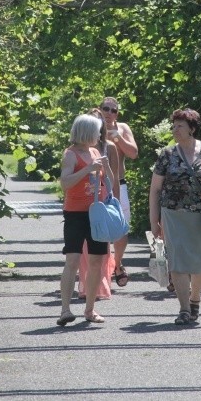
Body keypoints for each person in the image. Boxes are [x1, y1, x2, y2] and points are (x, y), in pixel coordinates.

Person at [148, 108, 201, 325]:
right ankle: (184, 309)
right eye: (174, 126)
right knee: (178, 263)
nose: (175, 130)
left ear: (192, 129)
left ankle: (195, 298)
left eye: (180, 126)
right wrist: (154, 220)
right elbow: (155, 189)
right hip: (173, 215)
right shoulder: (167, 154)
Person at [57, 114, 114, 325]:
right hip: (75, 213)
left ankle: (90, 310)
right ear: (86, 131)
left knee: (97, 261)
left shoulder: (95, 151)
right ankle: (65, 310)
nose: (99, 134)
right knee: (72, 259)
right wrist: (88, 169)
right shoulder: (71, 154)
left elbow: (106, 182)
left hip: (96, 212)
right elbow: (65, 183)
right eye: (97, 131)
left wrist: (105, 168)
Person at [77, 108, 121, 300]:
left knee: (102, 246)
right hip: (84, 202)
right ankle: (85, 287)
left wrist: (116, 205)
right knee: (85, 248)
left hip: (103, 200)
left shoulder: (109, 147)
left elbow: (115, 179)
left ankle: (100, 286)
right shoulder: (79, 149)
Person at [99, 97, 138, 287]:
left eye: (113, 110)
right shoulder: (93, 127)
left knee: (121, 228)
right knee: (99, 227)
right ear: (99, 110)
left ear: (117, 114)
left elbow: (133, 154)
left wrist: (117, 137)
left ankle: (118, 262)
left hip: (119, 184)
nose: (109, 113)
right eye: (105, 109)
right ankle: (101, 266)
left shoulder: (122, 128)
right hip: (96, 185)